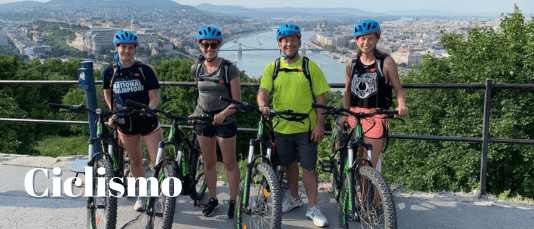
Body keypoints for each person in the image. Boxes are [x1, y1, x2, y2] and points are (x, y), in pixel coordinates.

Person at [257, 23, 330, 228]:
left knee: (310, 169)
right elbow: (263, 91)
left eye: (292, 40)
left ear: (299, 42)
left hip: (306, 127)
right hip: (281, 127)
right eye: (284, 40)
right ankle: (295, 198)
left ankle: (313, 207)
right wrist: (263, 104)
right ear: (279, 44)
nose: (288, 44)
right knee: (289, 165)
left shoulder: (309, 66)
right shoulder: (273, 67)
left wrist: (320, 125)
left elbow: (321, 97)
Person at [102, 30, 164, 211]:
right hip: (125, 121)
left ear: (135, 49)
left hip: (147, 119)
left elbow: (154, 97)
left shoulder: (144, 70)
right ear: (117, 48)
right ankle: (142, 196)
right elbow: (107, 91)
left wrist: (150, 109)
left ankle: (160, 193)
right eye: (123, 47)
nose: (127, 51)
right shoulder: (109, 71)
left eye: (131, 47)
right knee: (135, 160)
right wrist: (114, 111)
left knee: (158, 160)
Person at [338, 19, 409, 175]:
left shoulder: (386, 62)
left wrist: (401, 105)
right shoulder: (351, 64)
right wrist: (346, 114)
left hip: (376, 116)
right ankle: (352, 193)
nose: (366, 42)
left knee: (369, 165)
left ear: (377, 39)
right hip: (354, 115)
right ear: (356, 40)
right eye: (362, 38)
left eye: (371, 38)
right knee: (353, 163)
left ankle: (372, 199)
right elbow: (348, 91)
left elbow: (399, 90)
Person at [189, 26, 241, 218]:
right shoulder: (197, 68)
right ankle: (213, 199)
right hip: (202, 119)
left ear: (219, 45)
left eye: (213, 45)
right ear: (199, 45)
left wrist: (224, 114)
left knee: (229, 162)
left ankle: (233, 201)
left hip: (224, 121)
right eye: (205, 44)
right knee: (209, 163)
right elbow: (200, 94)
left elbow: (237, 102)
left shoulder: (229, 68)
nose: (209, 48)